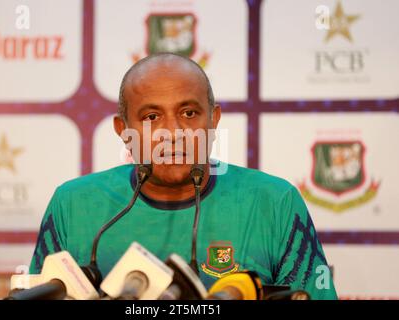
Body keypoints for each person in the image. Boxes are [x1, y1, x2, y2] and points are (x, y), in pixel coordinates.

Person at [29, 53, 337, 300]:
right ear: (123, 130)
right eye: (152, 117)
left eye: (189, 113)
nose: (173, 134)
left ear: (213, 119)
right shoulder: (72, 204)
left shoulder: (274, 202)